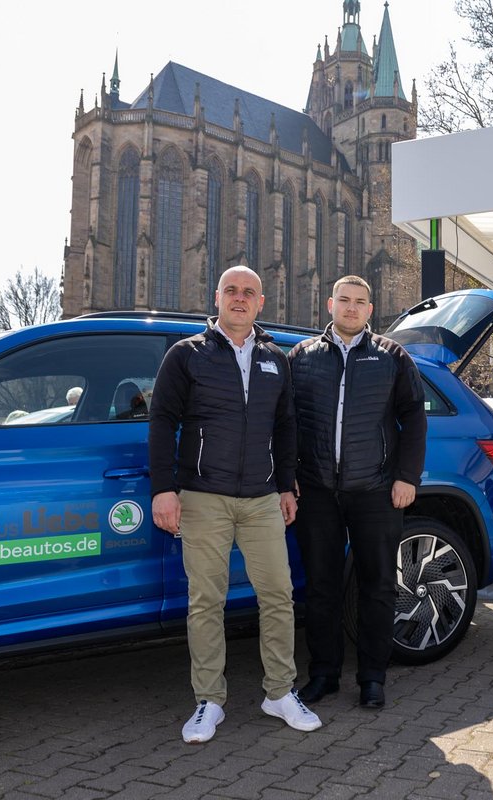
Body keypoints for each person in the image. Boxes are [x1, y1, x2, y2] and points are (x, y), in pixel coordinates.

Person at [148, 265, 320, 744]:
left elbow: (285, 426)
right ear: (217, 297)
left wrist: (285, 485)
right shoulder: (187, 355)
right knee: (206, 601)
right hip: (203, 496)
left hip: (262, 499)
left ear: (261, 302)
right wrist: (164, 489)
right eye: (231, 291)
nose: (239, 298)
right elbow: (161, 420)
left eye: (249, 292)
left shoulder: (275, 358)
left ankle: (279, 692)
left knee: (278, 596)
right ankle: (209, 700)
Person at [288, 275, 427, 710]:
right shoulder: (301, 356)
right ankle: (324, 675)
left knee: (378, 586)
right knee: (321, 588)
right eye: (344, 300)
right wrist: (287, 475)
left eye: (359, 302)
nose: (351, 307)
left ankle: (372, 678)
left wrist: (407, 477)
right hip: (316, 491)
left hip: (376, 491)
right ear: (329, 305)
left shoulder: (391, 356)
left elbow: (414, 417)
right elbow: (285, 421)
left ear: (370, 309)